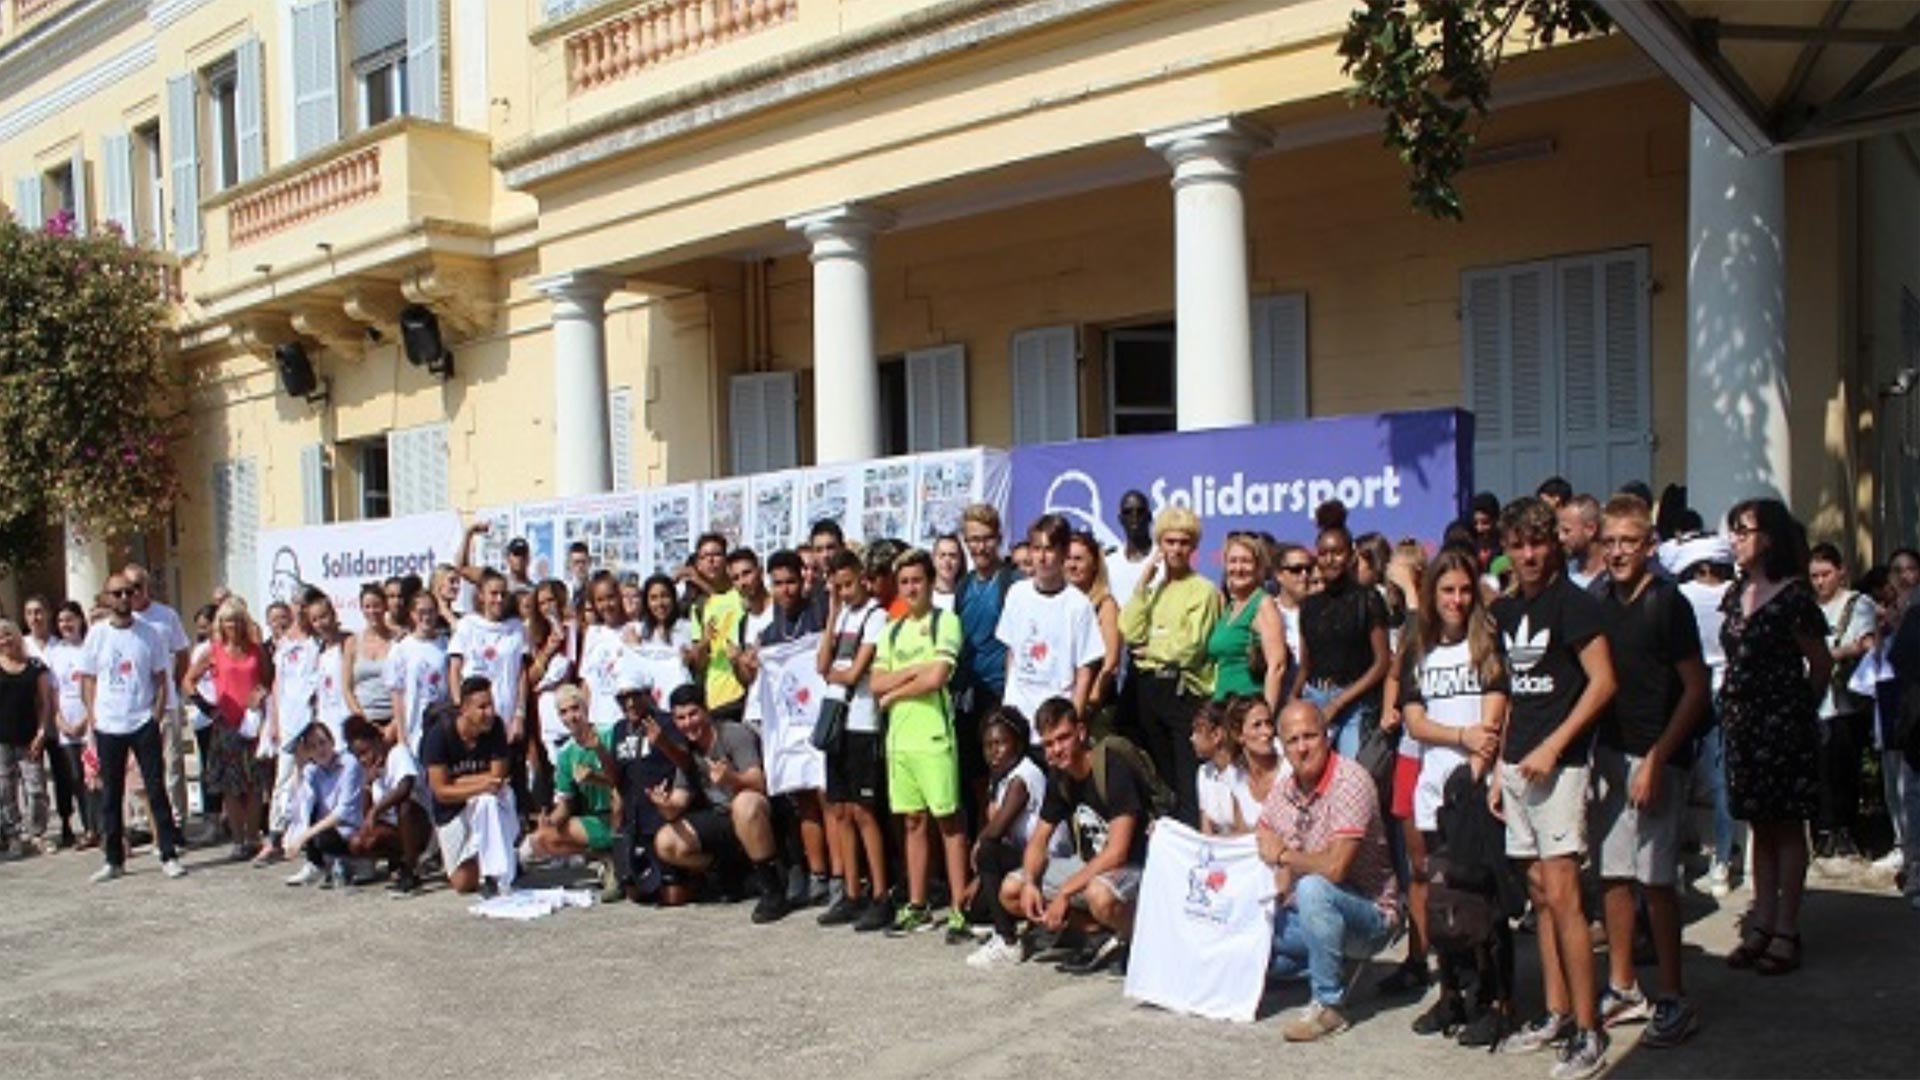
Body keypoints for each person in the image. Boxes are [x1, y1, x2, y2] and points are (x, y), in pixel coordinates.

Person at [1488, 497, 1615, 1078]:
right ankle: (1557, 1013)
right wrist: (1500, 765)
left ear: (1555, 544)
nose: (1530, 554)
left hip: (1560, 768)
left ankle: (1589, 1032)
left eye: (1538, 542)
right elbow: (1515, 692)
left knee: (1565, 896)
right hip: (1517, 767)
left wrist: (1555, 746)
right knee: (1539, 893)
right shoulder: (1510, 608)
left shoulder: (1576, 605)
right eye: (1518, 544)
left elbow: (1602, 683)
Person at [1589, 495, 1709, 1046]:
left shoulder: (1669, 604)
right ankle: (1623, 985)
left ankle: (1674, 996)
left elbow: (1695, 690)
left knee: (1658, 881)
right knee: (1614, 876)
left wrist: (1658, 759)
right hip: (1610, 758)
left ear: (1649, 546)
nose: (1617, 552)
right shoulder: (1595, 601)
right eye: (1609, 541)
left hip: (1658, 758)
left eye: (1628, 542)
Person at [1398, 548, 1513, 1046]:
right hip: (1433, 787)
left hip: (1475, 789)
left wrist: (1475, 764)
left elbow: (1494, 719)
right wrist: (1459, 737)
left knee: (1484, 896)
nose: (1458, 600)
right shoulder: (1419, 648)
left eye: (1465, 590)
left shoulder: (1486, 643)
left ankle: (1496, 999)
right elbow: (1414, 719)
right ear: (1432, 594)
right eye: (1448, 590)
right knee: (1442, 891)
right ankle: (1450, 994)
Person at [1719, 498, 1830, 977]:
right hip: (1743, 725)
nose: (1735, 540)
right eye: (1734, 531)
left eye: (1744, 531)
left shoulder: (1794, 598)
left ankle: (1787, 927)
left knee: (1786, 826)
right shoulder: (1736, 591)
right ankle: (1761, 920)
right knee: (1758, 825)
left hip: (1782, 724)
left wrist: (1798, 709)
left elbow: (1820, 664)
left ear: (1769, 538)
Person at [1257, 700, 1400, 1043]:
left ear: (1328, 736)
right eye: (1292, 741)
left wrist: (1285, 855)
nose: (1302, 747)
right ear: (1283, 747)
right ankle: (1334, 964)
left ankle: (1329, 1004)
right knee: (1252, 939)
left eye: (1310, 736)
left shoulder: (1350, 781)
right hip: (1311, 911)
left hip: (1370, 915)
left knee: (1314, 888)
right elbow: (1262, 830)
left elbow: (1336, 868)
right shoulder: (1286, 788)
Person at [1006, 698, 1146, 975]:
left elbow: (1117, 851)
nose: (1056, 750)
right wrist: (1032, 882)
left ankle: (1141, 940)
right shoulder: (1060, 778)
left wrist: (1066, 892)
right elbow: (1038, 841)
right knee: (1012, 890)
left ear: (1081, 732)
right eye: (1048, 744)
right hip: (1090, 865)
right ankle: (1099, 933)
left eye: (1063, 738)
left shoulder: (1111, 767)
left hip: (1135, 868)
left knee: (1099, 894)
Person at [871, 548, 970, 937]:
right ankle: (917, 905)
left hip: (933, 736)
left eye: (918, 580)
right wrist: (914, 669)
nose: (911, 588)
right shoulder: (892, 630)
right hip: (901, 742)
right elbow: (875, 681)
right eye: (905, 582)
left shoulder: (946, 622)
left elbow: (938, 676)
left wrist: (895, 693)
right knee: (913, 822)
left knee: (949, 822)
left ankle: (960, 909)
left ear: (930, 583)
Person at [78, 573, 187, 882]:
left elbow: (160, 677)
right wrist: (92, 716)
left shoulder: (149, 633)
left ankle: (168, 852)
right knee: (111, 793)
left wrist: (154, 715)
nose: (124, 598)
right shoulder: (97, 634)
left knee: (156, 788)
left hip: (141, 720)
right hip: (108, 723)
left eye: (129, 592)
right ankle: (114, 859)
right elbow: (88, 678)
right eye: (117, 593)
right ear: (107, 598)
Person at [651, 684, 790, 923]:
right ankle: (725, 872)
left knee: (744, 804)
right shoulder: (687, 750)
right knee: (665, 842)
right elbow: (678, 801)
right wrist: (663, 804)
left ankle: (772, 888)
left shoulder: (734, 734)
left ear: (706, 711)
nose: (688, 723)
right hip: (721, 818)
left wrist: (731, 779)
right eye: (680, 718)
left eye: (693, 714)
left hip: (759, 812)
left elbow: (759, 783)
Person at [1120, 505, 1220, 825]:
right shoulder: (1155, 588)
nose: (1176, 549)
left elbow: (1191, 647)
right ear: (1160, 545)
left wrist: (1153, 650)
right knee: (1161, 780)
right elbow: (1129, 630)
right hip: (1149, 690)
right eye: (1169, 541)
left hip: (1183, 691)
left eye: (1183, 542)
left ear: (1193, 547)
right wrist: (1142, 584)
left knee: (1187, 779)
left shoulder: (1203, 589)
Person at [815, 549, 892, 931]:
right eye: (836, 586)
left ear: (862, 577)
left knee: (864, 811)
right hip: (836, 720)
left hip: (862, 720)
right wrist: (831, 612)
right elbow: (821, 664)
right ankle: (851, 890)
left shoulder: (877, 616)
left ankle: (880, 893)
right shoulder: (842, 613)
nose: (844, 592)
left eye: (847, 584)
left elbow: (856, 671)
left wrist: (835, 673)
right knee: (840, 809)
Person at [1667, 534, 1740, 896]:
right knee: (1721, 777)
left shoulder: (1681, 597)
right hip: (1725, 688)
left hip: (1686, 688)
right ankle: (1723, 862)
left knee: (1679, 776)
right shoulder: (1736, 595)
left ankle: (1674, 862)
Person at [1297, 502, 1391, 761]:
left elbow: (1382, 662)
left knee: (1352, 775)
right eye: (1324, 553)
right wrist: (1292, 700)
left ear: (1351, 555)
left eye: (1337, 552)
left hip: (1355, 701)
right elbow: (1305, 665)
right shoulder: (1309, 605)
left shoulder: (1367, 599)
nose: (1330, 559)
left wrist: (1339, 702)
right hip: (1315, 697)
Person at [183, 598, 273, 861]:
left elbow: (268, 679)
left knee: (255, 783)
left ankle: (253, 836)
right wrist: (207, 706)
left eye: (236, 619)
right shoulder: (213, 651)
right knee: (232, 786)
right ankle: (237, 838)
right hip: (226, 723)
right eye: (226, 620)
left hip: (253, 721)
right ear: (220, 624)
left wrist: (261, 695)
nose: (231, 625)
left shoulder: (257, 651)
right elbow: (188, 680)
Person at [997, 515, 1105, 733]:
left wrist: (1072, 719)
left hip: (1054, 721)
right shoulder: (1017, 594)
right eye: (1036, 549)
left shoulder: (1078, 605)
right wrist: (1008, 701)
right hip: (1018, 717)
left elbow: (1085, 668)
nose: (1042, 557)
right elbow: (1012, 652)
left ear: (1063, 553)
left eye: (1049, 549)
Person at [593, 684, 695, 905]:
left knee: (673, 897)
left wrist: (663, 743)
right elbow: (616, 779)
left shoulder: (667, 722)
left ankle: (708, 875)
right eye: (622, 698)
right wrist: (599, 750)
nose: (629, 703)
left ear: (648, 695)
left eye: (634, 696)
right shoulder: (619, 729)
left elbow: (687, 763)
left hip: (663, 819)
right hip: (635, 823)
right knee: (637, 894)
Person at [1808, 542, 1876, 862]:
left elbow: (1865, 643)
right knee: (1819, 768)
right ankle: (1824, 829)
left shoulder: (1857, 603)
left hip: (1845, 697)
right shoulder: (1807, 608)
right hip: (1815, 699)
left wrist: (1833, 653)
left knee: (1845, 767)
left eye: (1825, 574)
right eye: (1814, 576)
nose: (1820, 581)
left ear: (1840, 572)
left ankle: (1846, 829)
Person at [965, 707, 1047, 968]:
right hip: (1020, 855)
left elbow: (996, 830)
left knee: (987, 850)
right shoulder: (1001, 777)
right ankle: (1018, 924)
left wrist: (977, 849)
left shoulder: (1022, 776)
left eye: (1001, 743)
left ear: (1018, 743)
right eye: (988, 745)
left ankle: (1007, 940)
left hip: (1044, 858)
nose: (994, 752)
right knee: (974, 910)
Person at [422, 675, 519, 895]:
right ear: (465, 709)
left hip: (482, 802)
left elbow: (498, 779)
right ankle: (494, 856)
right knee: (464, 884)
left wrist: (460, 782)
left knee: (490, 801)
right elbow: (440, 791)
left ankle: (498, 872)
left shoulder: (496, 729)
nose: (489, 713)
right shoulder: (439, 735)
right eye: (482, 707)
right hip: (452, 809)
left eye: (491, 705)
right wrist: (482, 783)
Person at [955, 502, 1018, 831]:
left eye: (986, 538)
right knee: (976, 782)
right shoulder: (963, 586)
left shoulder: (1012, 582)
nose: (980, 547)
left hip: (1004, 694)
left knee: (1006, 779)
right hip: (971, 697)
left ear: (998, 538)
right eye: (973, 540)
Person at [528, 686, 620, 896]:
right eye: (564, 712)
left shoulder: (610, 734)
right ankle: (603, 858)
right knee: (542, 838)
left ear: (586, 708)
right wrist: (550, 820)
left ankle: (619, 859)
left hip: (619, 813)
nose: (571, 716)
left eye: (575, 708)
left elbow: (623, 782)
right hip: (594, 820)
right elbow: (565, 804)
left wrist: (595, 776)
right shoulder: (566, 753)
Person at [125, 564, 192, 836]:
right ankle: (145, 821)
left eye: (138, 587)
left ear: (147, 587)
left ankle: (176, 820)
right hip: (135, 706)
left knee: (172, 763)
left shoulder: (166, 616)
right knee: (140, 768)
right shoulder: (122, 620)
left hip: (167, 704)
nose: (133, 594)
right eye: (128, 590)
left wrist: (173, 685)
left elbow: (182, 653)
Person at [344, 714, 433, 896]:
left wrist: (377, 810)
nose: (363, 759)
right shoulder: (373, 772)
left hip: (422, 825)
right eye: (358, 755)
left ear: (378, 741)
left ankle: (411, 871)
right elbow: (365, 816)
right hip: (395, 828)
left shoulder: (398, 754)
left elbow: (404, 788)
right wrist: (368, 784)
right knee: (358, 842)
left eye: (366, 751)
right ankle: (398, 862)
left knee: (404, 807)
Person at [447, 570, 531, 754]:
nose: (499, 599)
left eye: (503, 594)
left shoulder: (517, 628)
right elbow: (454, 670)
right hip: (474, 718)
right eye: (493, 594)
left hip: (506, 718)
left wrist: (519, 715)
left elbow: (521, 674)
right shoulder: (467, 625)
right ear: (481, 596)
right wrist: (459, 709)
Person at [1207, 532, 1289, 712]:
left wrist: (1265, 716)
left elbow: (1277, 666)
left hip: (1249, 708)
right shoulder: (1229, 608)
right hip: (1223, 707)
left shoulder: (1262, 604)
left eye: (1246, 561)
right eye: (1233, 561)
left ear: (1259, 567)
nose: (1238, 568)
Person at [282, 719, 364, 888]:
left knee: (320, 836)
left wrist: (304, 836)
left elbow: (344, 812)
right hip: (326, 827)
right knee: (310, 820)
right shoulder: (312, 770)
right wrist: (299, 767)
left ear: (332, 742)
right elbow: (297, 808)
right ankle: (316, 865)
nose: (320, 750)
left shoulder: (348, 763)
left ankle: (350, 863)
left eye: (322, 743)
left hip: (350, 828)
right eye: (313, 746)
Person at [42, 601, 96, 849]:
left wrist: (88, 720)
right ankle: (87, 828)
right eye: (61, 620)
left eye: (70, 619)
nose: (66, 625)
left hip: (90, 722)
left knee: (94, 777)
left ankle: (101, 826)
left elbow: (94, 688)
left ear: (80, 620)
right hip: (66, 722)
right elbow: (53, 692)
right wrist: (59, 721)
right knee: (75, 778)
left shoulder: (89, 647)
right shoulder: (55, 652)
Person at [0, 619, 54, 856]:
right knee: (5, 790)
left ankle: (37, 833)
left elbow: (44, 703)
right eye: (0, 637)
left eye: (8, 635)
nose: (5, 641)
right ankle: (13, 835)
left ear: (17, 636)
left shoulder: (35, 666)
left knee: (36, 790)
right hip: (2, 741)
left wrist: (42, 731)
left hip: (28, 737)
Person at [1065, 532, 1123, 730]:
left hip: (1096, 709)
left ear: (1094, 564)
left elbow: (1111, 660)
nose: (1072, 565)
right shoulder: (1062, 604)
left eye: (1079, 559)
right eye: (1067, 558)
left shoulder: (1106, 605)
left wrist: (1091, 702)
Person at [384, 591, 450, 755]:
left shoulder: (446, 644)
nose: (426, 617)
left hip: (442, 724)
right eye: (421, 612)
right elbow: (397, 697)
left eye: (431, 611)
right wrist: (402, 737)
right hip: (414, 727)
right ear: (412, 614)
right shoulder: (401, 649)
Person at [1191, 699, 1257, 835]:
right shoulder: (1203, 773)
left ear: (1216, 735)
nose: (1192, 738)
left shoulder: (1243, 773)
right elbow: (1206, 829)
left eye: (1197, 731)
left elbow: (1243, 832)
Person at [1103, 489, 1155, 610]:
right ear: (1120, 519)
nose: (1134, 517)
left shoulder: (1163, 559)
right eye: (1128, 512)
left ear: (1149, 517)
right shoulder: (1109, 563)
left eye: (1140, 512)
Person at [1558, 496, 1606, 591]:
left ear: (1590, 529)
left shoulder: (1612, 580)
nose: (1561, 538)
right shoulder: (1562, 575)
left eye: (1566, 531)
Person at [932, 534, 964, 612]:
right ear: (933, 559)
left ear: (960, 561)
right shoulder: (922, 597)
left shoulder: (966, 599)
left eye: (952, 556)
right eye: (942, 555)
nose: (947, 561)